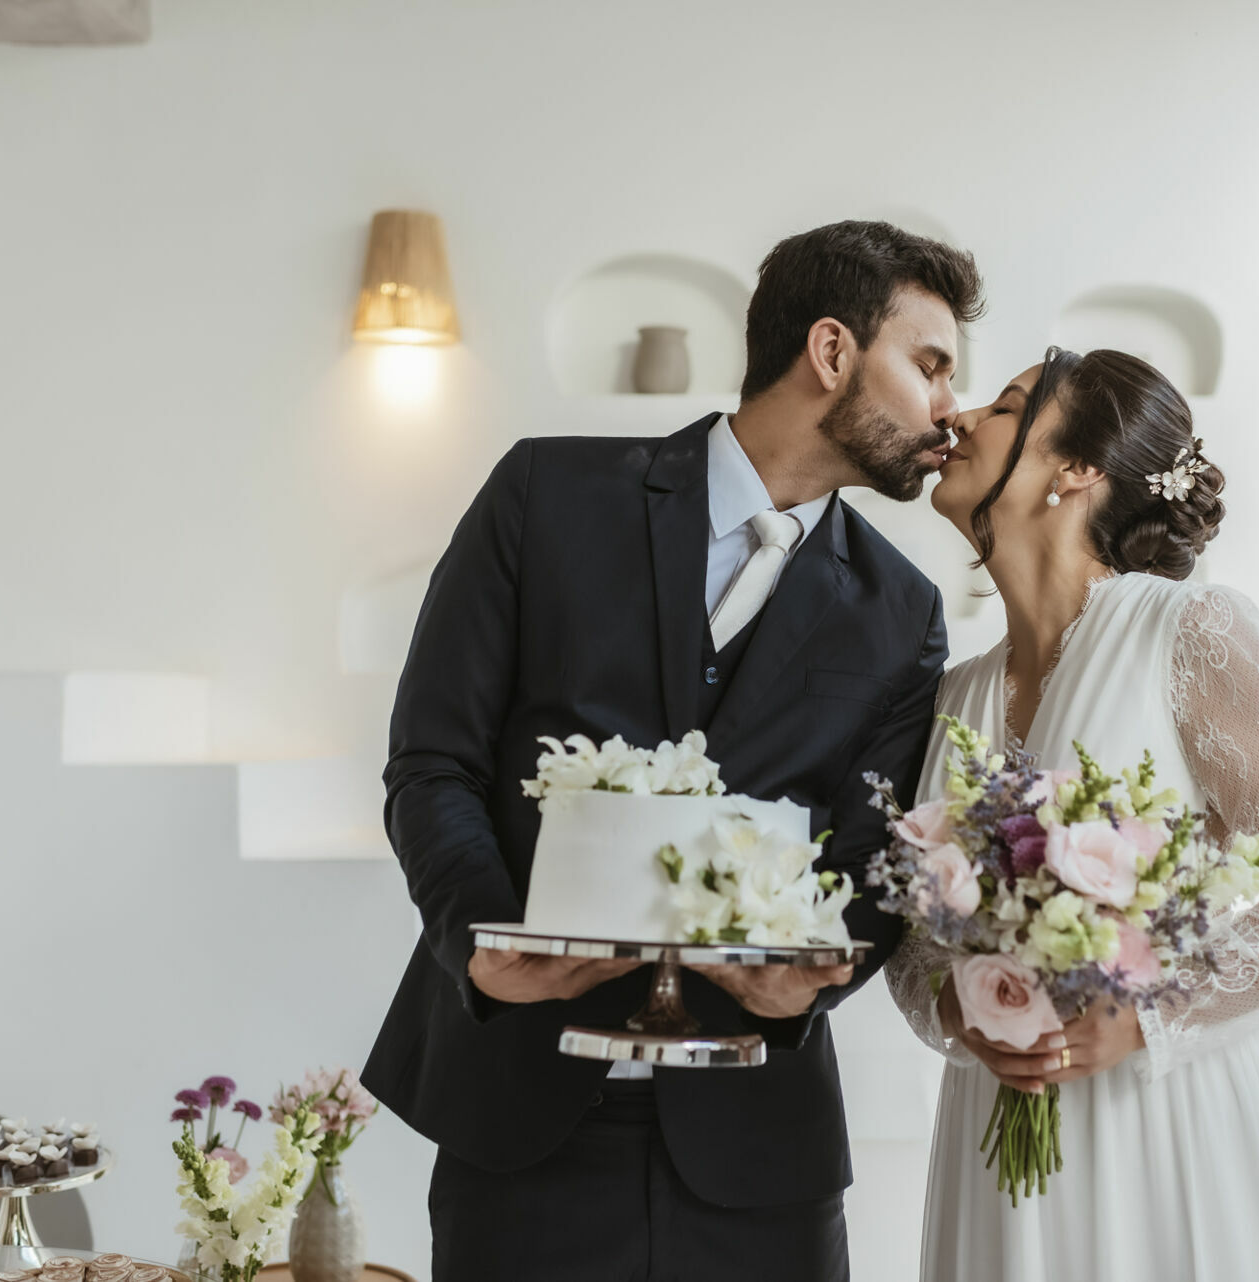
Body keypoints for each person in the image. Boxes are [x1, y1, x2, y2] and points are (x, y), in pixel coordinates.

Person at [362, 220, 982, 1281]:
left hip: (759, 1155)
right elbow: (435, 761)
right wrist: (482, 946)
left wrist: (819, 983)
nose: (947, 410)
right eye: (928, 365)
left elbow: (875, 859)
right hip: (518, 1119)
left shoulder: (903, 612)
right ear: (832, 352)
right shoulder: (543, 496)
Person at [887, 347, 1259, 1281]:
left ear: (1075, 472)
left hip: (1174, 1126)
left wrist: (1150, 1013)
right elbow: (916, 943)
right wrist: (955, 1003)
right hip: (1002, 1151)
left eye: (1002, 407)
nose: (957, 422)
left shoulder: (1186, 630)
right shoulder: (953, 695)